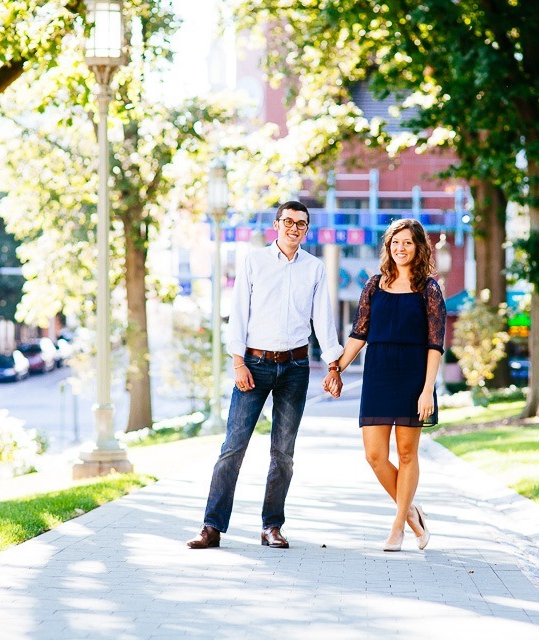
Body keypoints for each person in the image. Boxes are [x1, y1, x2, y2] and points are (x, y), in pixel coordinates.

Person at [187, 200, 344, 550]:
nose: (294, 228)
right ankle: (211, 526)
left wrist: (333, 365)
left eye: (301, 224)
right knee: (233, 446)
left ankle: (272, 526)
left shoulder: (315, 268)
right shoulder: (254, 261)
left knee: (283, 453)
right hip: (254, 365)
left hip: (296, 367)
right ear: (276, 225)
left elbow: (323, 318)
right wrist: (238, 362)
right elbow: (238, 312)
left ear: (306, 230)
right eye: (288, 221)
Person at [323, 218, 445, 552]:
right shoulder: (374, 285)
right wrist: (336, 369)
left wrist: (426, 390)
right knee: (375, 455)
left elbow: (436, 345)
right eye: (395, 243)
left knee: (407, 454)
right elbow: (359, 333)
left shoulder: (429, 289)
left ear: (419, 247)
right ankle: (413, 513)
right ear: (388, 248)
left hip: (413, 377)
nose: (400, 248)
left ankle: (399, 527)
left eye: (407, 242)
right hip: (378, 374)